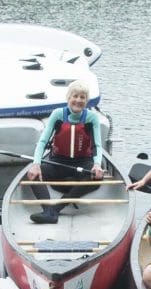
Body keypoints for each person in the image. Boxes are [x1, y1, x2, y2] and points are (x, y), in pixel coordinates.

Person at [25, 79, 104, 224]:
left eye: (82, 97)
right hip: (58, 162)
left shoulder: (91, 118)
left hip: (82, 163)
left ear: (86, 101)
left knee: (97, 178)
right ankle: (47, 209)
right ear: (69, 97)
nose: (78, 100)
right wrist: (36, 163)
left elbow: (97, 146)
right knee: (32, 174)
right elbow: (42, 141)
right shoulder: (58, 114)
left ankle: (54, 210)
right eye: (75, 96)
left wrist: (97, 164)